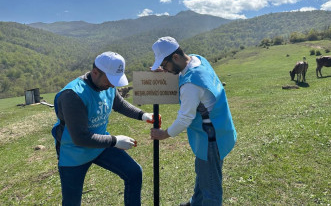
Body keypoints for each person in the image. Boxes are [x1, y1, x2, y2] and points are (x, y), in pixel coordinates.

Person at [52, 51, 159, 206]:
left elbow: (119, 104)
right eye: (110, 80)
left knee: (134, 173)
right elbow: (80, 137)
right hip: (74, 153)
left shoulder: (107, 85)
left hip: (101, 145)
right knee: (71, 201)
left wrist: (143, 115)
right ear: (95, 72)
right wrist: (115, 141)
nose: (112, 85)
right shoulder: (73, 95)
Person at [150, 37, 237, 206]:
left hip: (211, 138)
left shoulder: (190, 85)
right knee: (204, 172)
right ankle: (195, 202)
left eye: (165, 65)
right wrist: (167, 72)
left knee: (211, 186)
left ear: (175, 57)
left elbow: (185, 118)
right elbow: (186, 76)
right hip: (221, 129)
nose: (165, 69)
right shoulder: (198, 60)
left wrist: (165, 134)